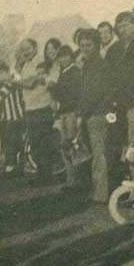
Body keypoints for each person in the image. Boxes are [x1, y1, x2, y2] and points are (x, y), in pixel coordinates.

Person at [15, 38, 57, 184]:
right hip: (31, 108)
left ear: (35, 48)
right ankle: (41, 174)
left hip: (42, 107)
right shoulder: (25, 65)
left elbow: (31, 83)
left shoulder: (41, 61)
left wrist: (13, 81)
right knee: (35, 143)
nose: (25, 52)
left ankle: (47, 176)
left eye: (28, 48)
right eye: (23, 49)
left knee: (43, 144)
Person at [78, 29, 112, 203]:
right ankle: (99, 191)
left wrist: (82, 114)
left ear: (96, 45)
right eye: (82, 45)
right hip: (92, 113)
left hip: (97, 114)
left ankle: (101, 194)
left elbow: (94, 93)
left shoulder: (98, 64)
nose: (85, 48)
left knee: (99, 155)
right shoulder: (89, 64)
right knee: (97, 153)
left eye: (88, 45)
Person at [106, 12, 134, 147]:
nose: (123, 29)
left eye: (126, 25)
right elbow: (108, 76)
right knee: (122, 142)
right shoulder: (113, 49)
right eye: (120, 26)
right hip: (119, 104)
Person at [49, 45, 83, 190]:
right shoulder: (62, 73)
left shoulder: (75, 72)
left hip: (71, 113)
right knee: (65, 146)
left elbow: (68, 93)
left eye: (65, 56)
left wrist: (54, 87)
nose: (63, 60)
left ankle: (76, 180)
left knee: (72, 145)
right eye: (60, 57)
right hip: (63, 112)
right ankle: (71, 179)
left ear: (71, 57)